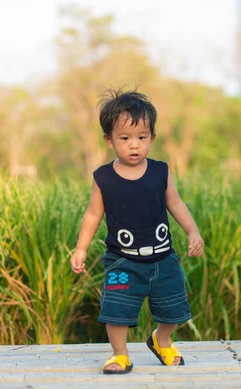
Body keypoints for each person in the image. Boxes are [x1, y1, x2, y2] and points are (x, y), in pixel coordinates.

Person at [70, 88, 204, 374]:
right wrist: (81, 247)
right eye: (125, 138)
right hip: (123, 260)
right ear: (109, 140)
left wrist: (193, 231)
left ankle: (162, 340)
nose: (135, 145)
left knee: (174, 308)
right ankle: (120, 354)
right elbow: (93, 214)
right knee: (116, 310)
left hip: (163, 258)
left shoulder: (160, 171)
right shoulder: (103, 177)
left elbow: (176, 203)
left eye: (142, 138)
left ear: (152, 138)